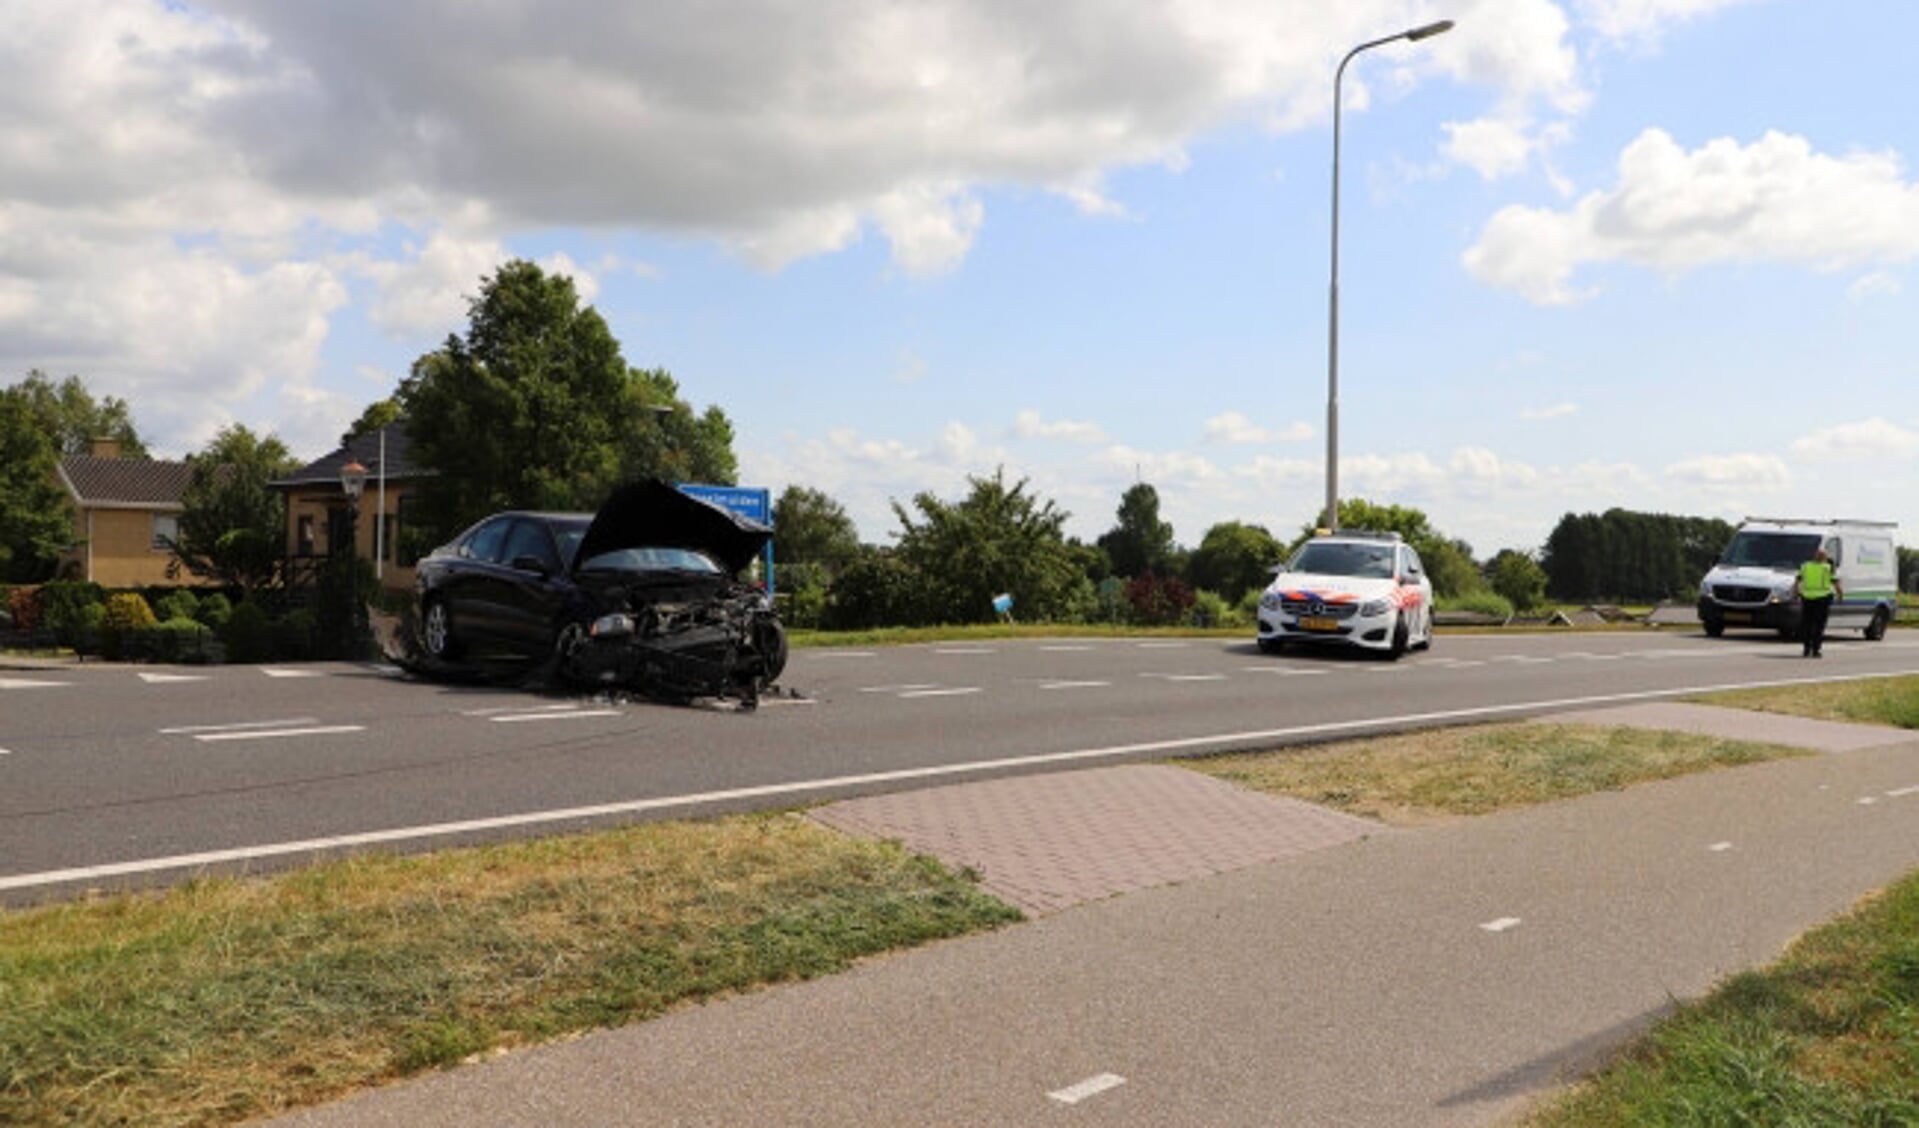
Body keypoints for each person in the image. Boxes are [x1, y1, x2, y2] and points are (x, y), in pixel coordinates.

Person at [1792, 546, 1842, 658]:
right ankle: (1816, 650)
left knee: (1807, 624)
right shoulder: (1828, 568)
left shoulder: (1805, 566)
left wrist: (1795, 594)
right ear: (1824, 557)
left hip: (1807, 598)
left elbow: (1797, 582)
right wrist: (1840, 596)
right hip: (1823, 599)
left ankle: (1806, 649)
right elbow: (1836, 583)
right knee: (1819, 625)